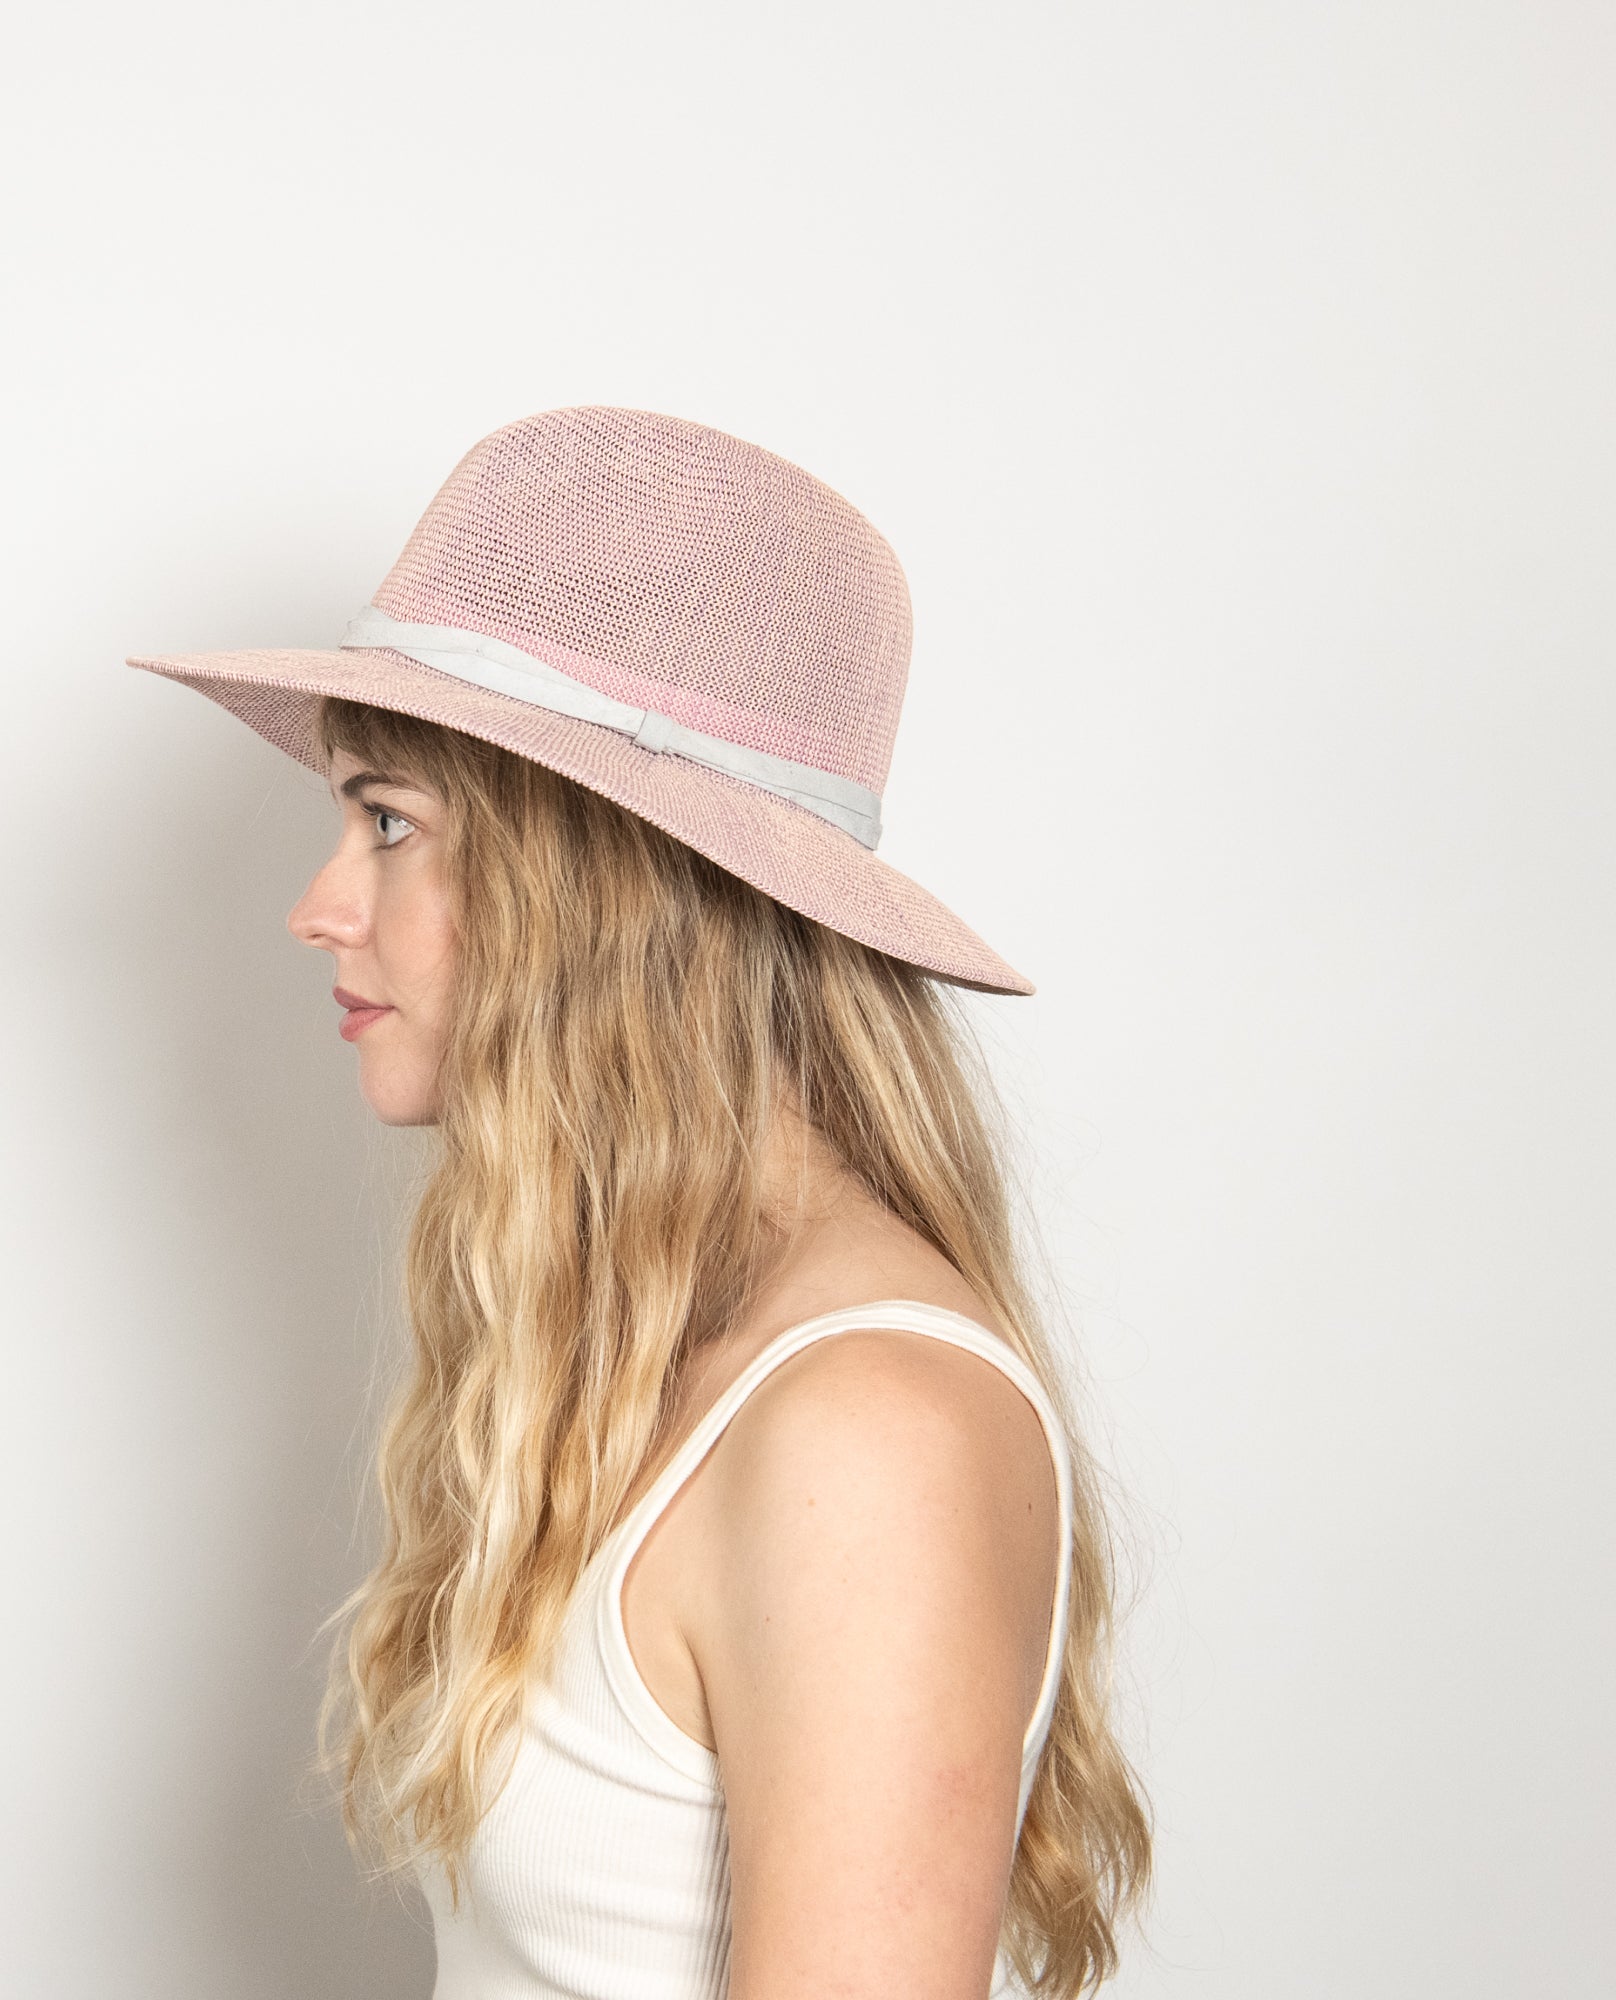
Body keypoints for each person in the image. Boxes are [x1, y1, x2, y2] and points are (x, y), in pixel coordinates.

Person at [129, 407, 1151, 1998]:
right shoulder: (633, 1340)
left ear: (597, 879)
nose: (319, 906)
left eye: (389, 821)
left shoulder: (868, 1428)